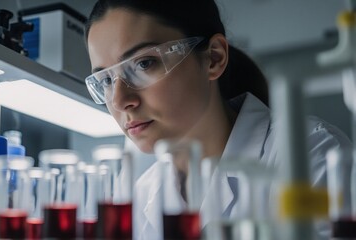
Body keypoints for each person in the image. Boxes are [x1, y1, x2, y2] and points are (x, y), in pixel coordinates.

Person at [83, 0, 352, 239]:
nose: (119, 100)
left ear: (213, 58)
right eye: (105, 80)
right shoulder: (138, 193)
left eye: (143, 64)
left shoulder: (308, 154)